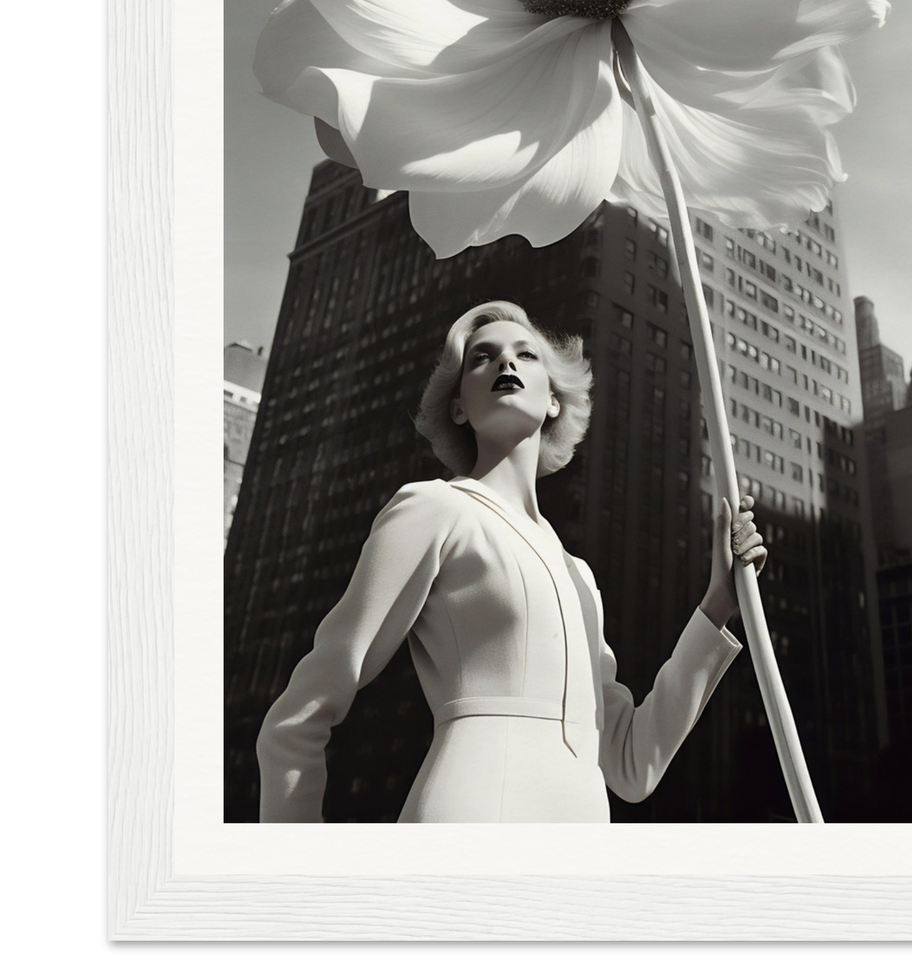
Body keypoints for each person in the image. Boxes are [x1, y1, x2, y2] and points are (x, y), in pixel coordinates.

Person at [256, 300, 766, 823]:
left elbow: (632, 766)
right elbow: (299, 718)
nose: (506, 364)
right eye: (483, 357)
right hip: (470, 817)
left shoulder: (578, 575)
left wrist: (718, 603)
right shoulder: (435, 508)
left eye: (526, 355)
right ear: (458, 407)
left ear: (553, 401)